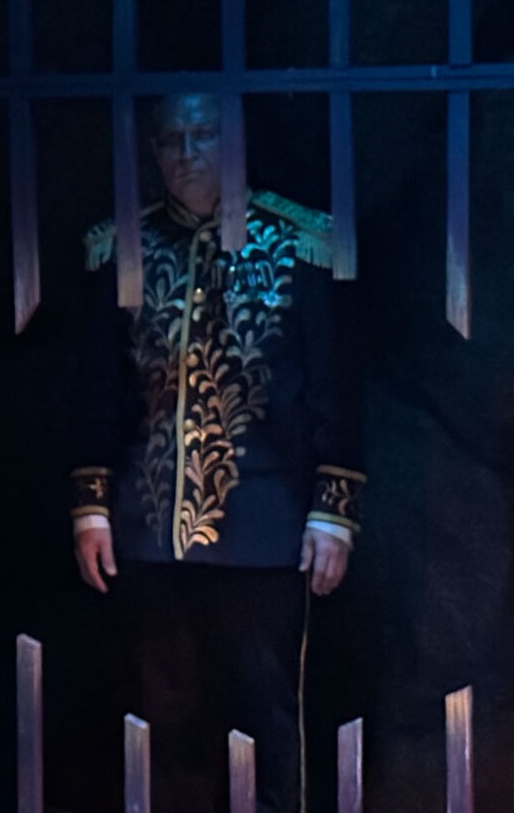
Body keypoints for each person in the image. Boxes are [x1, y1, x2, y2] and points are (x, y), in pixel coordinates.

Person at [71, 93, 363, 813]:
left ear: (235, 143)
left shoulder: (301, 243)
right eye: (172, 139)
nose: (185, 153)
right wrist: (91, 506)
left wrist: (333, 511)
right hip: (147, 526)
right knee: (163, 712)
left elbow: (335, 384)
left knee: (264, 711)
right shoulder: (123, 247)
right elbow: (97, 387)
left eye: (203, 136)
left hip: (265, 525)